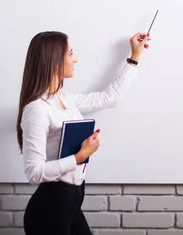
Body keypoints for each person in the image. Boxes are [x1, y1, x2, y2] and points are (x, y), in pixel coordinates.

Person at [17, 31, 151, 235]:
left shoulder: (65, 100)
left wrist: (135, 56)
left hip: (71, 201)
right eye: (70, 53)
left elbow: (110, 97)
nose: (75, 59)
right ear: (53, 60)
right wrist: (80, 156)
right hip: (49, 210)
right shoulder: (37, 109)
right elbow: (34, 173)